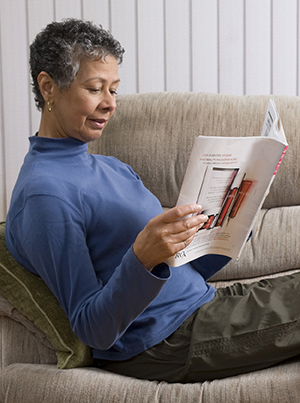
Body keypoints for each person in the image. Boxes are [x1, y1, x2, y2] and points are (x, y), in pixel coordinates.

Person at [5, 19, 300, 383]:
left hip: (204, 305)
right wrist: (143, 257)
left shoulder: (109, 167)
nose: (110, 104)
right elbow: (92, 328)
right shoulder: (44, 195)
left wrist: (237, 212)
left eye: (114, 90)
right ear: (48, 87)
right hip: (167, 341)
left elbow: (180, 270)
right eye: (95, 89)